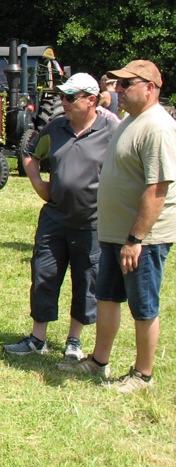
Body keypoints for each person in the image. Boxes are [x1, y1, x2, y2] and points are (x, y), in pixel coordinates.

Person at [59, 60, 176, 392]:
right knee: (108, 297)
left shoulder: (157, 126)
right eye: (118, 84)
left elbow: (158, 188)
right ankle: (99, 362)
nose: (119, 90)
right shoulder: (131, 121)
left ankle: (143, 375)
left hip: (141, 239)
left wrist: (136, 238)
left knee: (143, 305)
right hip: (114, 233)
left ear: (150, 87)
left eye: (128, 85)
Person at [5, 73, 118, 359]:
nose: (63, 102)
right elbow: (29, 152)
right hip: (55, 218)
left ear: (91, 100)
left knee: (86, 280)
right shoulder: (56, 128)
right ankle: (37, 339)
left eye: (70, 97)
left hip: (92, 222)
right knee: (44, 274)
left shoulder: (112, 131)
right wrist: (38, 183)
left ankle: (74, 341)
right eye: (62, 97)